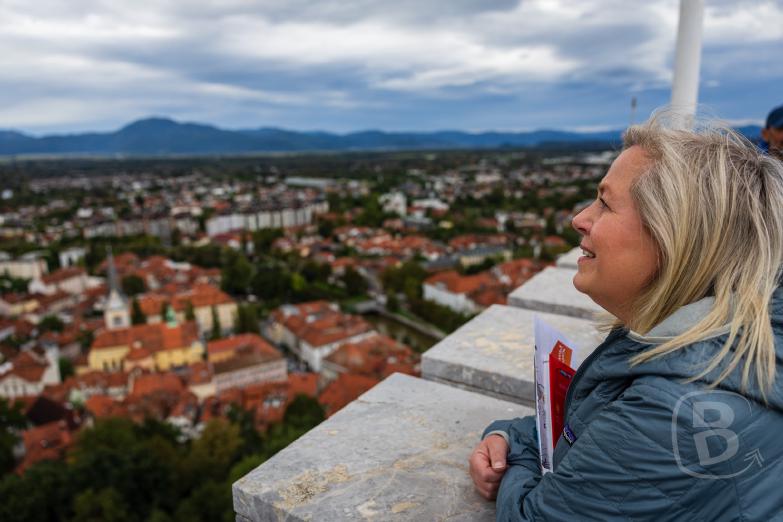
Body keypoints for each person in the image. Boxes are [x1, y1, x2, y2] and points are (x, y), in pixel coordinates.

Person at [469, 112, 783, 521]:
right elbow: (601, 433)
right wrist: (510, 435)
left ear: (674, 239)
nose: (579, 218)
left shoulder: (674, 411)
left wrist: (517, 465)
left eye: (604, 202)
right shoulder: (716, 341)